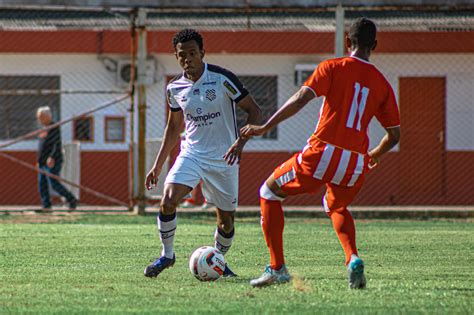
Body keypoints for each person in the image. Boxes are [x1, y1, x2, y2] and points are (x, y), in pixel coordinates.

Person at [241, 18, 400, 289]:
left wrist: (266, 126)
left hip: (322, 153)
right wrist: (374, 155)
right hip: (354, 161)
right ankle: (353, 259)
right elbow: (394, 135)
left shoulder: (332, 67)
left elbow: (302, 98)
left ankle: (277, 268)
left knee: (268, 191)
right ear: (375, 45)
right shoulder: (382, 84)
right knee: (336, 206)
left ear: (348, 42)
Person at [144, 29, 261, 278]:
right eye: (181, 55)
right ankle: (167, 255)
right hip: (193, 153)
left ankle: (218, 260)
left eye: (192, 53)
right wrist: (157, 165)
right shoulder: (174, 88)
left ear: (202, 53)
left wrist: (240, 143)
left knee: (226, 221)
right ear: (176, 57)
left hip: (224, 158)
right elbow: (174, 127)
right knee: (167, 200)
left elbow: (254, 111)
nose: (187, 58)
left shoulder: (222, 78)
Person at [36, 106, 77, 211]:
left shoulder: (54, 127)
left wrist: (52, 157)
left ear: (48, 116)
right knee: (42, 184)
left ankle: (71, 199)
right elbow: (41, 146)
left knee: (54, 183)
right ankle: (46, 206)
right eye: (38, 117)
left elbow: (56, 143)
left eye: (41, 117)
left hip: (52, 160)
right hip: (42, 161)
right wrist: (38, 160)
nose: (39, 119)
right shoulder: (42, 129)